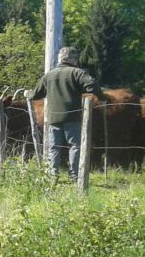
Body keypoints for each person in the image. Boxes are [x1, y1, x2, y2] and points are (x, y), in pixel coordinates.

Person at [26, 47, 103, 179]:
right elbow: (92, 84)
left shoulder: (49, 75)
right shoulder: (77, 73)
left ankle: (52, 174)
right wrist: (101, 97)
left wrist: (27, 93)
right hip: (72, 116)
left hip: (53, 117)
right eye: (75, 59)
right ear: (72, 59)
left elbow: (35, 95)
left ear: (60, 59)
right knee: (75, 146)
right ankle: (74, 175)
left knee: (54, 147)